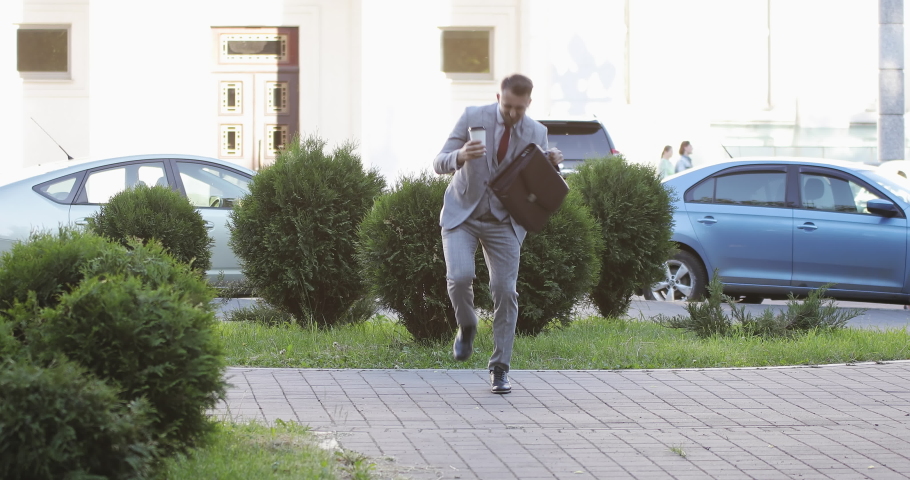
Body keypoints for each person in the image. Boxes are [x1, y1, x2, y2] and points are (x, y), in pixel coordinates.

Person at [433, 74, 563, 394]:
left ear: (529, 103)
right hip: (462, 214)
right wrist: (460, 156)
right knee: (460, 277)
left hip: (504, 220)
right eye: (507, 106)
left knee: (505, 291)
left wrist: (552, 164)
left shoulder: (536, 132)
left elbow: (540, 184)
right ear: (498, 97)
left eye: (520, 108)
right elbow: (438, 163)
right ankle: (467, 326)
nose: (513, 113)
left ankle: (500, 367)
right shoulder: (472, 117)